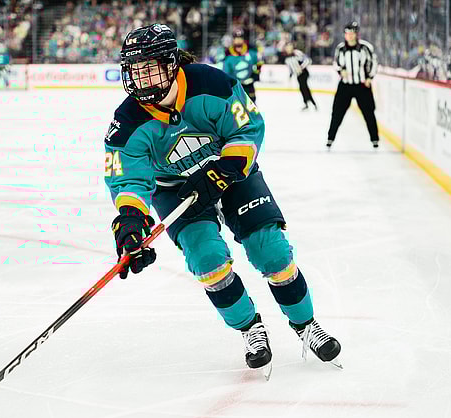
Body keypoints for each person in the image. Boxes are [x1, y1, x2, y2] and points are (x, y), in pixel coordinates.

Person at [104, 23, 341, 373]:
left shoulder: (212, 84)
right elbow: (128, 180)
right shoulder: (126, 124)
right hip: (177, 190)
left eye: (149, 68)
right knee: (207, 259)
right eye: (134, 71)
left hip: (231, 173)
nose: (140, 79)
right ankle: (250, 328)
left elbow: (247, 129)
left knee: (271, 249)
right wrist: (130, 224)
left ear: (171, 64)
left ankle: (306, 325)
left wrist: (225, 168)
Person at [327, 21, 379, 149]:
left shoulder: (365, 48)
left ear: (356, 34)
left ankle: (375, 139)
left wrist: (369, 78)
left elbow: (374, 63)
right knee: (337, 113)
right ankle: (330, 138)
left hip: (362, 85)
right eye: (347, 33)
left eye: (352, 33)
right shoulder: (340, 48)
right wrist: (340, 70)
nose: (349, 36)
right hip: (345, 85)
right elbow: (336, 63)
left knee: (369, 113)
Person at [222, 29, 263, 103]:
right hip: (236, 86)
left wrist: (256, 73)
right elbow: (226, 72)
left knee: (252, 108)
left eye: (240, 38)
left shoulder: (251, 52)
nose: (238, 40)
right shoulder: (229, 56)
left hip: (249, 85)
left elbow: (259, 62)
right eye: (236, 38)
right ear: (233, 40)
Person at [283, 42, 317, 110]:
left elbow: (308, 60)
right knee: (302, 88)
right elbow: (291, 69)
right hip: (298, 75)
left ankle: (312, 103)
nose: (288, 48)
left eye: (290, 46)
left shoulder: (297, 53)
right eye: (287, 47)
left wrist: (301, 67)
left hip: (304, 73)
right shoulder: (286, 57)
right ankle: (307, 103)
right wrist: (290, 77)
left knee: (304, 88)